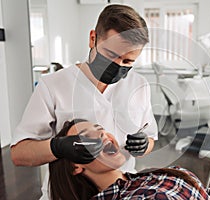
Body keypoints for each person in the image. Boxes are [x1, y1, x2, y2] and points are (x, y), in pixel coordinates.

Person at [10, 4, 158, 199]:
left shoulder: (139, 85)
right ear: (92, 38)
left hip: (121, 191)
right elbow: (19, 154)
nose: (118, 66)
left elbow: (150, 137)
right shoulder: (53, 85)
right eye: (111, 55)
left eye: (127, 61)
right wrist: (58, 147)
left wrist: (144, 145)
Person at [49, 119, 210, 200]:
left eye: (101, 129)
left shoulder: (149, 176)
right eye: (87, 136)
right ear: (75, 167)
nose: (103, 134)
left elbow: (209, 193)